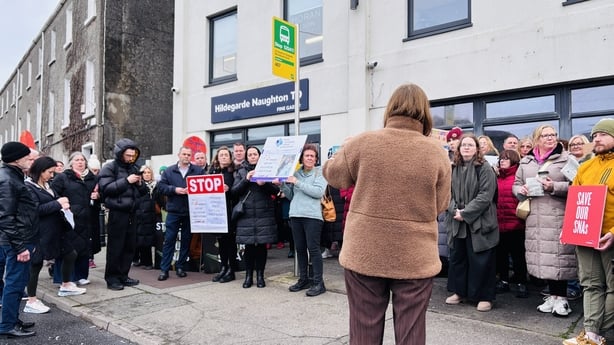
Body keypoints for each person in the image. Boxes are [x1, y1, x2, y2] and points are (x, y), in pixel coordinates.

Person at [323, 84, 451, 344]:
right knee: (411, 331)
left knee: (364, 327)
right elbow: (440, 205)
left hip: (365, 252)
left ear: (390, 108)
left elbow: (334, 176)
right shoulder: (437, 152)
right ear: (424, 113)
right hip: (415, 255)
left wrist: (343, 151)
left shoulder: (363, 142)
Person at [512, 124, 575, 317]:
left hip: (558, 215)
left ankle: (562, 298)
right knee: (543, 257)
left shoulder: (567, 159)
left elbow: (579, 185)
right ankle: (553, 297)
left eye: (553, 135)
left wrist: (554, 186)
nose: (551, 138)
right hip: (535, 216)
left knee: (559, 256)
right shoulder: (527, 161)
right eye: (546, 135)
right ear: (537, 139)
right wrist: (520, 191)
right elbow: (516, 184)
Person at [563, 119, 614, 345]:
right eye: (594, 136)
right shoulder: (585, 166)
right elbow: (576, 200)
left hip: (609, 236)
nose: (597, 139)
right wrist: (570, 228)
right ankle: (591, 334)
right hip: (586, 235)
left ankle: (598, 331)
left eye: (603, 134)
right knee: (591, 284)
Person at [445, 134, 499, 312]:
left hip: (480, 222)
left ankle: (484, 297)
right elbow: (446, 193)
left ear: (477, 149)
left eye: (470, 145)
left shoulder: (484, 168)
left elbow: (485, 196)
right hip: (457, 221)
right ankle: (459, 292)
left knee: (481, 260)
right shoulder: (453, 167)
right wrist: (454, 211)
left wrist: (466, 213)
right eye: (463, 145)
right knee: (458, 258)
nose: (466, 148)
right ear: (458, 149)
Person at [25, 156, 85, 313]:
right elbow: (36, 210)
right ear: (40, 171)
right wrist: (57, 203)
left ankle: (65, 285)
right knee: (36, 264)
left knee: (70, 253)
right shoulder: (29, 187)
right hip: (40, 232)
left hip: (57, 229)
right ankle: (31, 300)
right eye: (50, 172)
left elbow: (56, 197)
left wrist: (62, 202)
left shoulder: (48, 185)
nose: (52, 175)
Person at [276, 144, 327, 297]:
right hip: (296, 215)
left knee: (313, 249)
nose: (310, 158)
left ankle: (318, 283)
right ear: (302, 158)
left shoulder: (320, 173)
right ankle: (303, 279)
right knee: (300, 249)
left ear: (316, 159)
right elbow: (291, 196)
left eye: (312, 156)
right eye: (307, 156)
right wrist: (283, 185)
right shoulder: (296, 173)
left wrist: (297, 182)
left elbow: (318, 192)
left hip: (312, 216)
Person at [99, 138, 148, 290]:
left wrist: (140, 184)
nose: (131, 158)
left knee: (129, 247)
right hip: (117, 212)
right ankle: (112, 278)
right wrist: (127, 181)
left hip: (132, 212)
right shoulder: (109, 167)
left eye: (133, 155)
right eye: (128, 155)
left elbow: (144, 191)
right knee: (115, 247)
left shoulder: (133, 168)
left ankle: (123, 275)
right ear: (120, 154)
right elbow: (106, 189)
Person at [0, 141, 38, 338]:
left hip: (18, 239)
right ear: (16, 159)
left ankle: (11, 320)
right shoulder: (8, 180)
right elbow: (6, 217)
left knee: (15, 283)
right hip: (17, 241)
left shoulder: (12, 176)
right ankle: (7, 325)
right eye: (27, 157)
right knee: (15, 284)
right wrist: (20, 247)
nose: (30, 161)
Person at [232, 146, 279, 288]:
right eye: (250, 154)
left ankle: (260, 276)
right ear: (247, 157)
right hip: (246, 214)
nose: (252, 156)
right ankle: (248, 277)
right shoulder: (241, 171)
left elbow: (276, 190)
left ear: (260, 156)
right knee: (249, 247)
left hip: (263, 213)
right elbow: (234, 192)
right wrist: (246, 180)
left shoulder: (268, 169)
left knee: (261, 247)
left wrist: (264, 184)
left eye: (255, 154)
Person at [52, 152, 100, 287]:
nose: (80, 162)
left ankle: (81, 275)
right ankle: (67, 277)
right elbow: (54, 195)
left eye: (82, 160)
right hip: (70, 218)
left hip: (88, 218)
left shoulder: (92, 178)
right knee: (69, 248)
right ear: (71, 162)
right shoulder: (63, 177)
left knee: (84, 247)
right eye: (77, 160)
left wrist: (98, 196)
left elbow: (99, 195)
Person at [157, 147, 204, 281]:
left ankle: (180, 267)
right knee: (169, 240)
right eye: (184, 154)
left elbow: (205, 187)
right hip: (174, 211)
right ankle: (164, 269)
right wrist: (175, 190)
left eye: (189, 155)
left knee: (186, 241)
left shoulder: (198, 171)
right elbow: (161, 187)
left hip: (191, 211)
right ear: (179, 155)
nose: (186, 156)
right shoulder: (169, 171)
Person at [494, 150, 528, 298]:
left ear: (513, 160)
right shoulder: (496, 177)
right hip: (499, 224)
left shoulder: (517, 178)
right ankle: (504, 280)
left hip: (516, 224)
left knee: (518, 256)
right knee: (501, 255)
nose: (502, 161)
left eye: (506, 159)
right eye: (501, 158)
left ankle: (521, 282)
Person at [208, 147, 237, 283]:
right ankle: (223, 267)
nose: (224, 157)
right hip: (216, 213)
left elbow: (237, 191)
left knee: (230, 242)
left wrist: (229, 189)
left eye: (226, 155)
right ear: (217, 157)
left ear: (230, 158)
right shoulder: (212, 172)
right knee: (221, 242)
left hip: (229, 211)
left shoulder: (234, 172)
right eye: (221, 155)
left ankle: (231, 270)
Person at [133, 166, 157, 270]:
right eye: (145, 172)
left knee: (148, 239)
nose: (147, 174)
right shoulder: (138, 186)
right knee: (141, 239)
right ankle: (142, 261)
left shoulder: (156, 185)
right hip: (141, 215)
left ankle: (148, 262)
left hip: (152, 216)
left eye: (149, 172)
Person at [87, 155, 102, 269]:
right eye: (93, 170)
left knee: (94, 234)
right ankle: (88, 257)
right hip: (84, 211)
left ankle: (91, 257)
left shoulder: (99, 179)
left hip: (94, 210)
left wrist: (98, 196)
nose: (95, 173)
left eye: (97, 170)